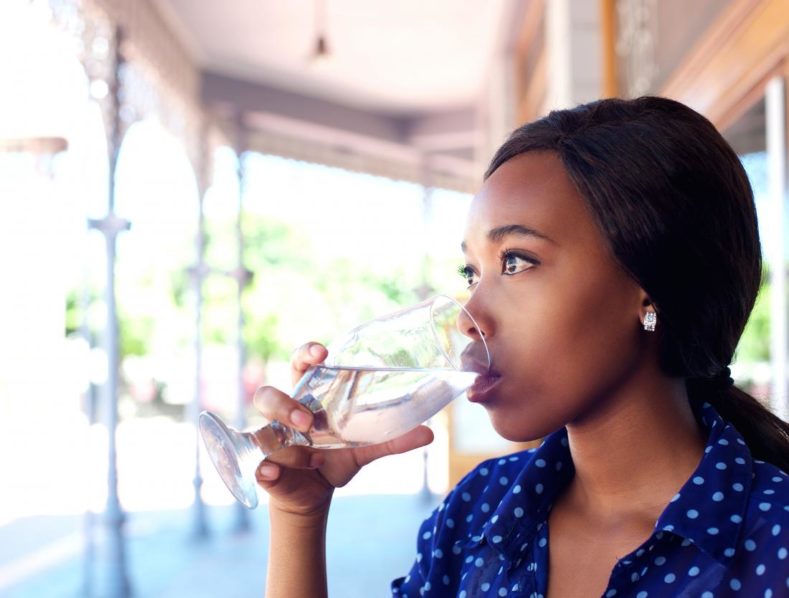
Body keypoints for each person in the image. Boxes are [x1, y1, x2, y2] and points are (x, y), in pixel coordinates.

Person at [252, 96, 789, 597]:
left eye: (516, 261)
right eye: (472, 271)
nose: (470, 318)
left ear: (649, 291)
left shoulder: (775, 540)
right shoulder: (476, 513)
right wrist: (300, 515)